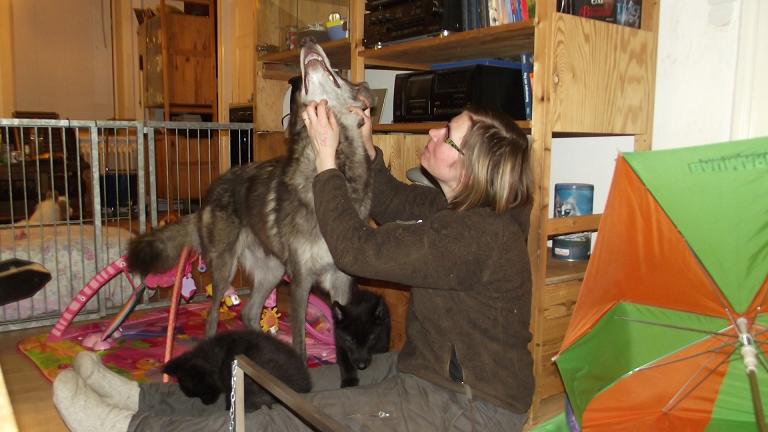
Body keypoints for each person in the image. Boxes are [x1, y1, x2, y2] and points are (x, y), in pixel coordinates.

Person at [52, 102, 534, 432]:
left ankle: (130, 428)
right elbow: (389, 199)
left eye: (447, 136)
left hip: (469, 410)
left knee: (291, 418)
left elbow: (356, 250)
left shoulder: (478, 237)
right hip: (423, 373)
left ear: (470, 170)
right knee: (275, 381)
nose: (433, 133)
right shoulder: (459, 210)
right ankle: (145, 401)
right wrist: (366, 149)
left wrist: (326, 162)